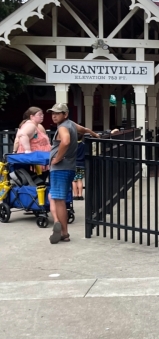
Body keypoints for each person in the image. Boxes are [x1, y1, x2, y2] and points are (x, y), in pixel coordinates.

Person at [47, 103, 98, 244]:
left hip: (60, 169)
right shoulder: (71, 124)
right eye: (52, 113)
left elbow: (66, 141)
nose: (54, 115)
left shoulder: (63, 127)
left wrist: (57, 158)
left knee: (58, 200)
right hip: (70, 167)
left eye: (57, 113)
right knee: (61, 199)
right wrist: (95, 134)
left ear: (65, 114)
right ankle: (62, 229)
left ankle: (64, 233)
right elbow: (84, 129)